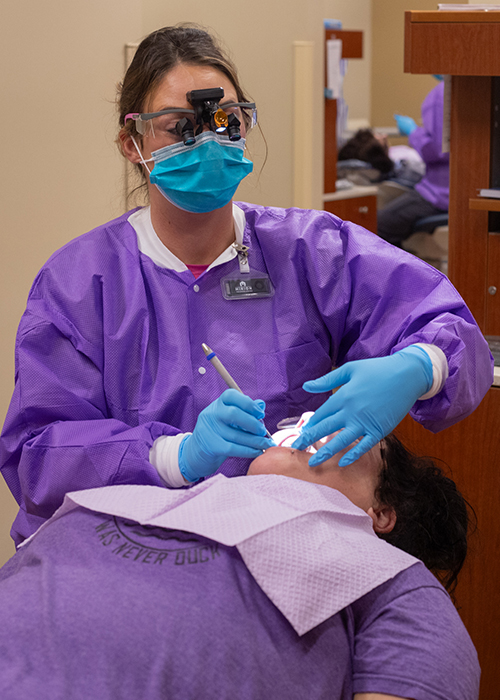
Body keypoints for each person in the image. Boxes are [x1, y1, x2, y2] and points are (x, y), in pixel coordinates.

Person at [0, 25, 493, 548]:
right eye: (180, 127)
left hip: (286, 548)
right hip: (126, 551)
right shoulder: (82, 283)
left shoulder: (310, 250)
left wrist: (420, 367)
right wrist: (176, 455)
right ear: (132, 142)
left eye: (225, 121)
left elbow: (454, 332)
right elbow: (38, 453)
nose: (210, 141)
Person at [0, 430, 479, 700]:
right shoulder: (154, 498)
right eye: (307, 414)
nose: (311, 421)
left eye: (355, 432)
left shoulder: (392, 576)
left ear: (380, 513)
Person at [377, 78, 449, 246]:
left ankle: (403, 271)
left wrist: (413, 132)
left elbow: (437, 150)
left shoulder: (442, 93)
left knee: (378, 226)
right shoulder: (476, 87)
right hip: (460, 192)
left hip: (440, 194)